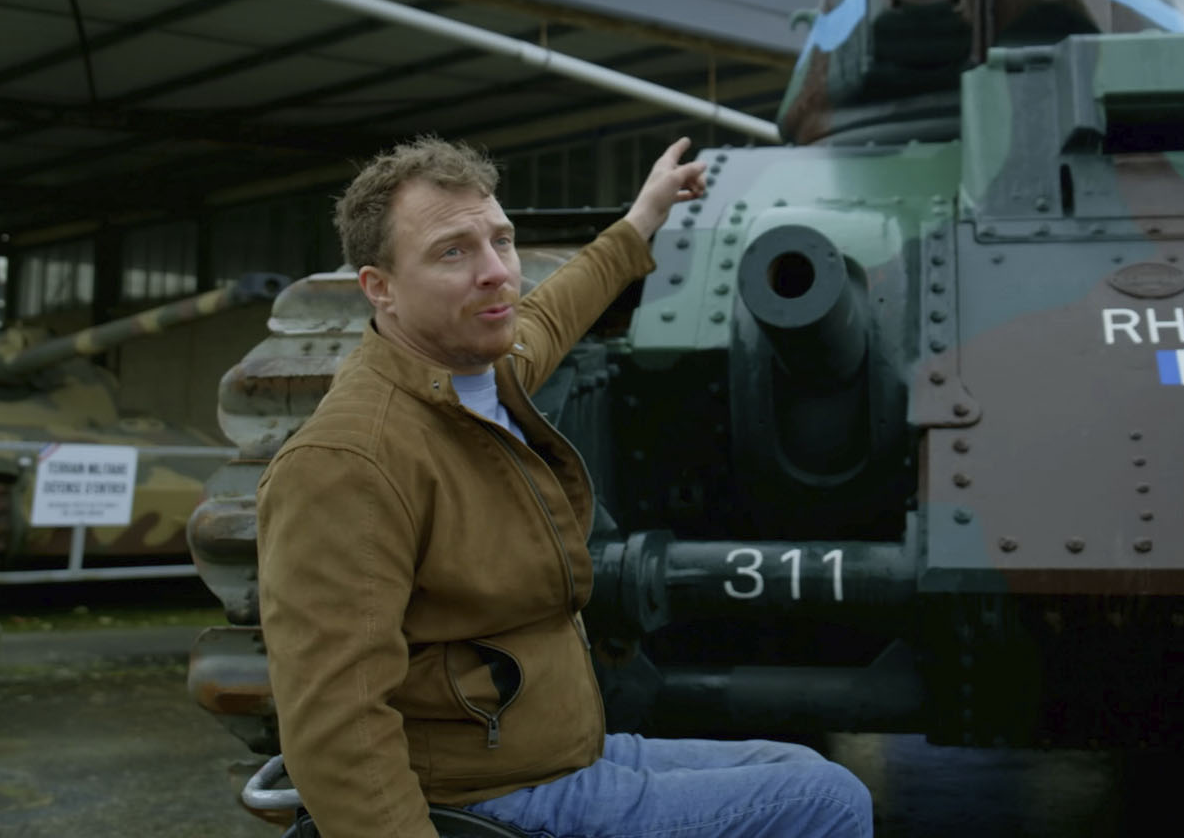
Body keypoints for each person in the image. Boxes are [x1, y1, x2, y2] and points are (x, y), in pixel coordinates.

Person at [258, 134, 873, 838]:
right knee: (828, 800)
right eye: (453, 251)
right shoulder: (349, 463)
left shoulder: (482, 372)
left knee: (792, 763)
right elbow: (334, 721)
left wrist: (644, 216)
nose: (497, 274)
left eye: (502, 241)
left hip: (562, 753)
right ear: (380, 289)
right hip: (491, 790)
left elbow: (558, 308)